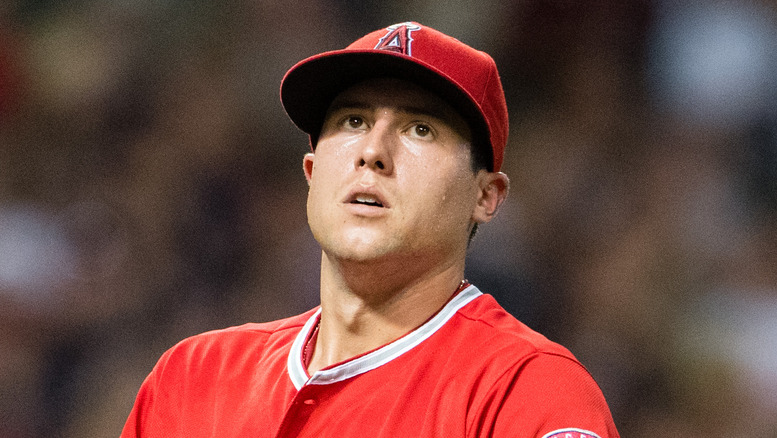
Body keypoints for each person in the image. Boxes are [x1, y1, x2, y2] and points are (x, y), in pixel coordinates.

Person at [121, 22, 619, 438]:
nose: (372, 151)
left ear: (485, 197)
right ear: (313, 173)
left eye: (420, 128)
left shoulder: (525, 391)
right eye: (353, 120)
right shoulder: (193, 378)